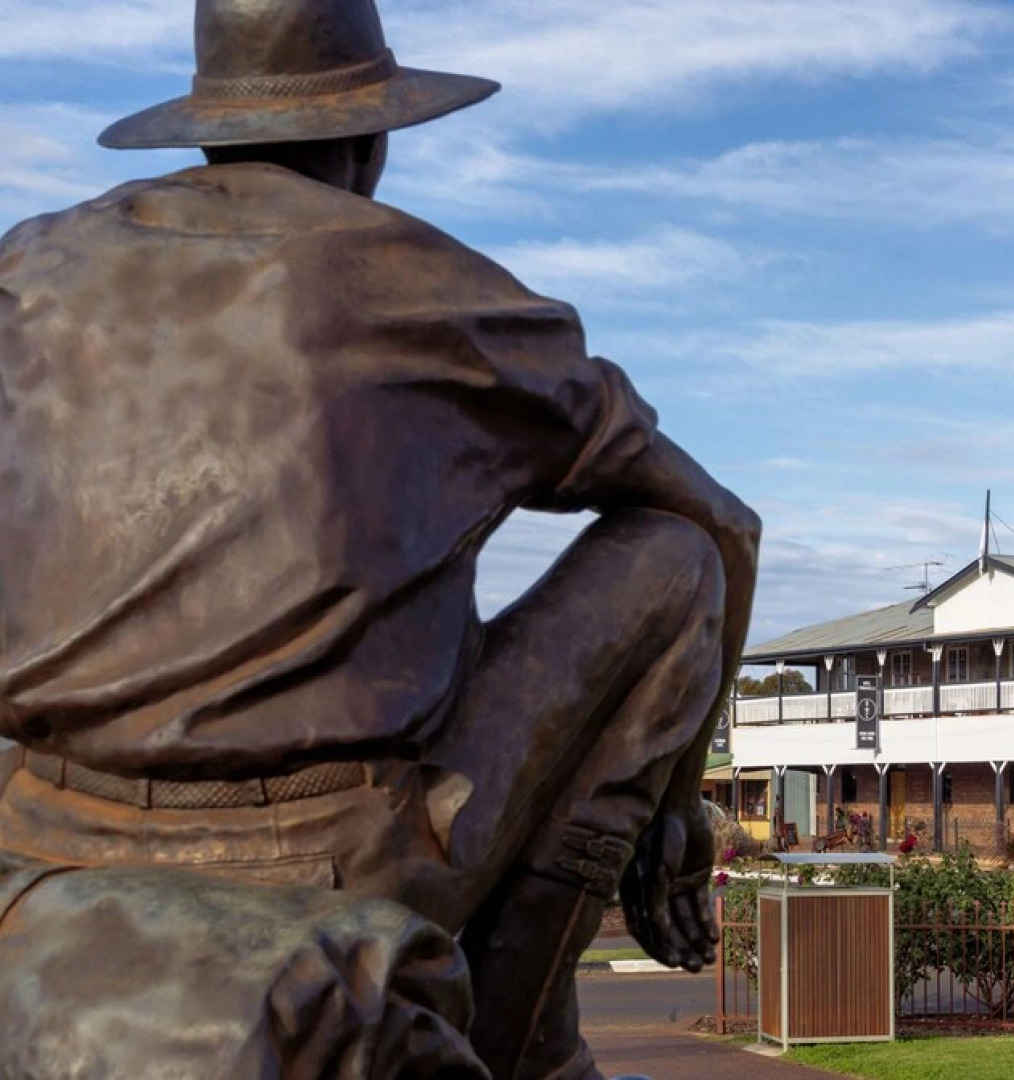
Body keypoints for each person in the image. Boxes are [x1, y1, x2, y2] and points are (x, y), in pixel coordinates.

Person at [0, 1, 759, 1077]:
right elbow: (723, 521)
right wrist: (678, 823)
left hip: (35, 824)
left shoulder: (29, 267)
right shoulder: (416, 280)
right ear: (371, 140)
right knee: (674, 562)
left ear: (209, 124)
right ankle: (526, 1047)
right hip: (320, 853)